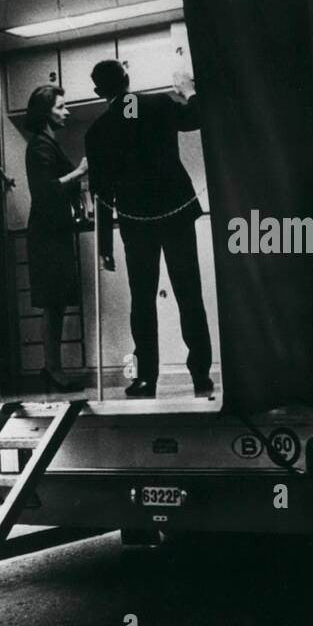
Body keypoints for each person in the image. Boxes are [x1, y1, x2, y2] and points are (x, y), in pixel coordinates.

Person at [84, 59, 213, 398]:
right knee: (189, 293)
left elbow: (100, 195)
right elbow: (199, 117)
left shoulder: (97, 131)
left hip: (136, 221)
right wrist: (190, 90)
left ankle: (146, 379)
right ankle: (201, 374)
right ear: (128, 78)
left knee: (142, 300)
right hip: (175, 211)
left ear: (99, 92)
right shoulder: (158, 104)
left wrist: (104, 248)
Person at [24, 84, 88, 393]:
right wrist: (79, 172)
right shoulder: (39, 146)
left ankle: (53, 368)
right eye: (61, 107)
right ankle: (52, 368)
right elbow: (46, 190)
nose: (67, 111)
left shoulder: (48, 144)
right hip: (47, 234)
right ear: (45, 112)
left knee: (57, 303)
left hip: (55, 231)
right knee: (52, 304)